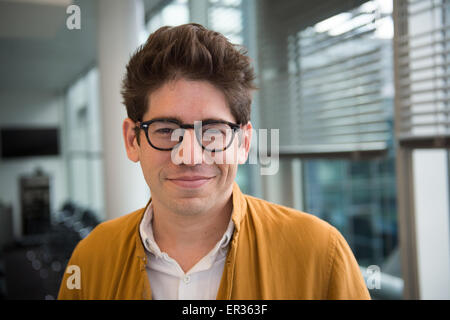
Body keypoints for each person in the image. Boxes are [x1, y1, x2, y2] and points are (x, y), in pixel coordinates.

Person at [58, 23, 370, 300]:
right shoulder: (92, 258)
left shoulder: (321, 255)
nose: (190, 156)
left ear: (244, 142)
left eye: (213, 132)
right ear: (132, 140)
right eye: (166, 130)